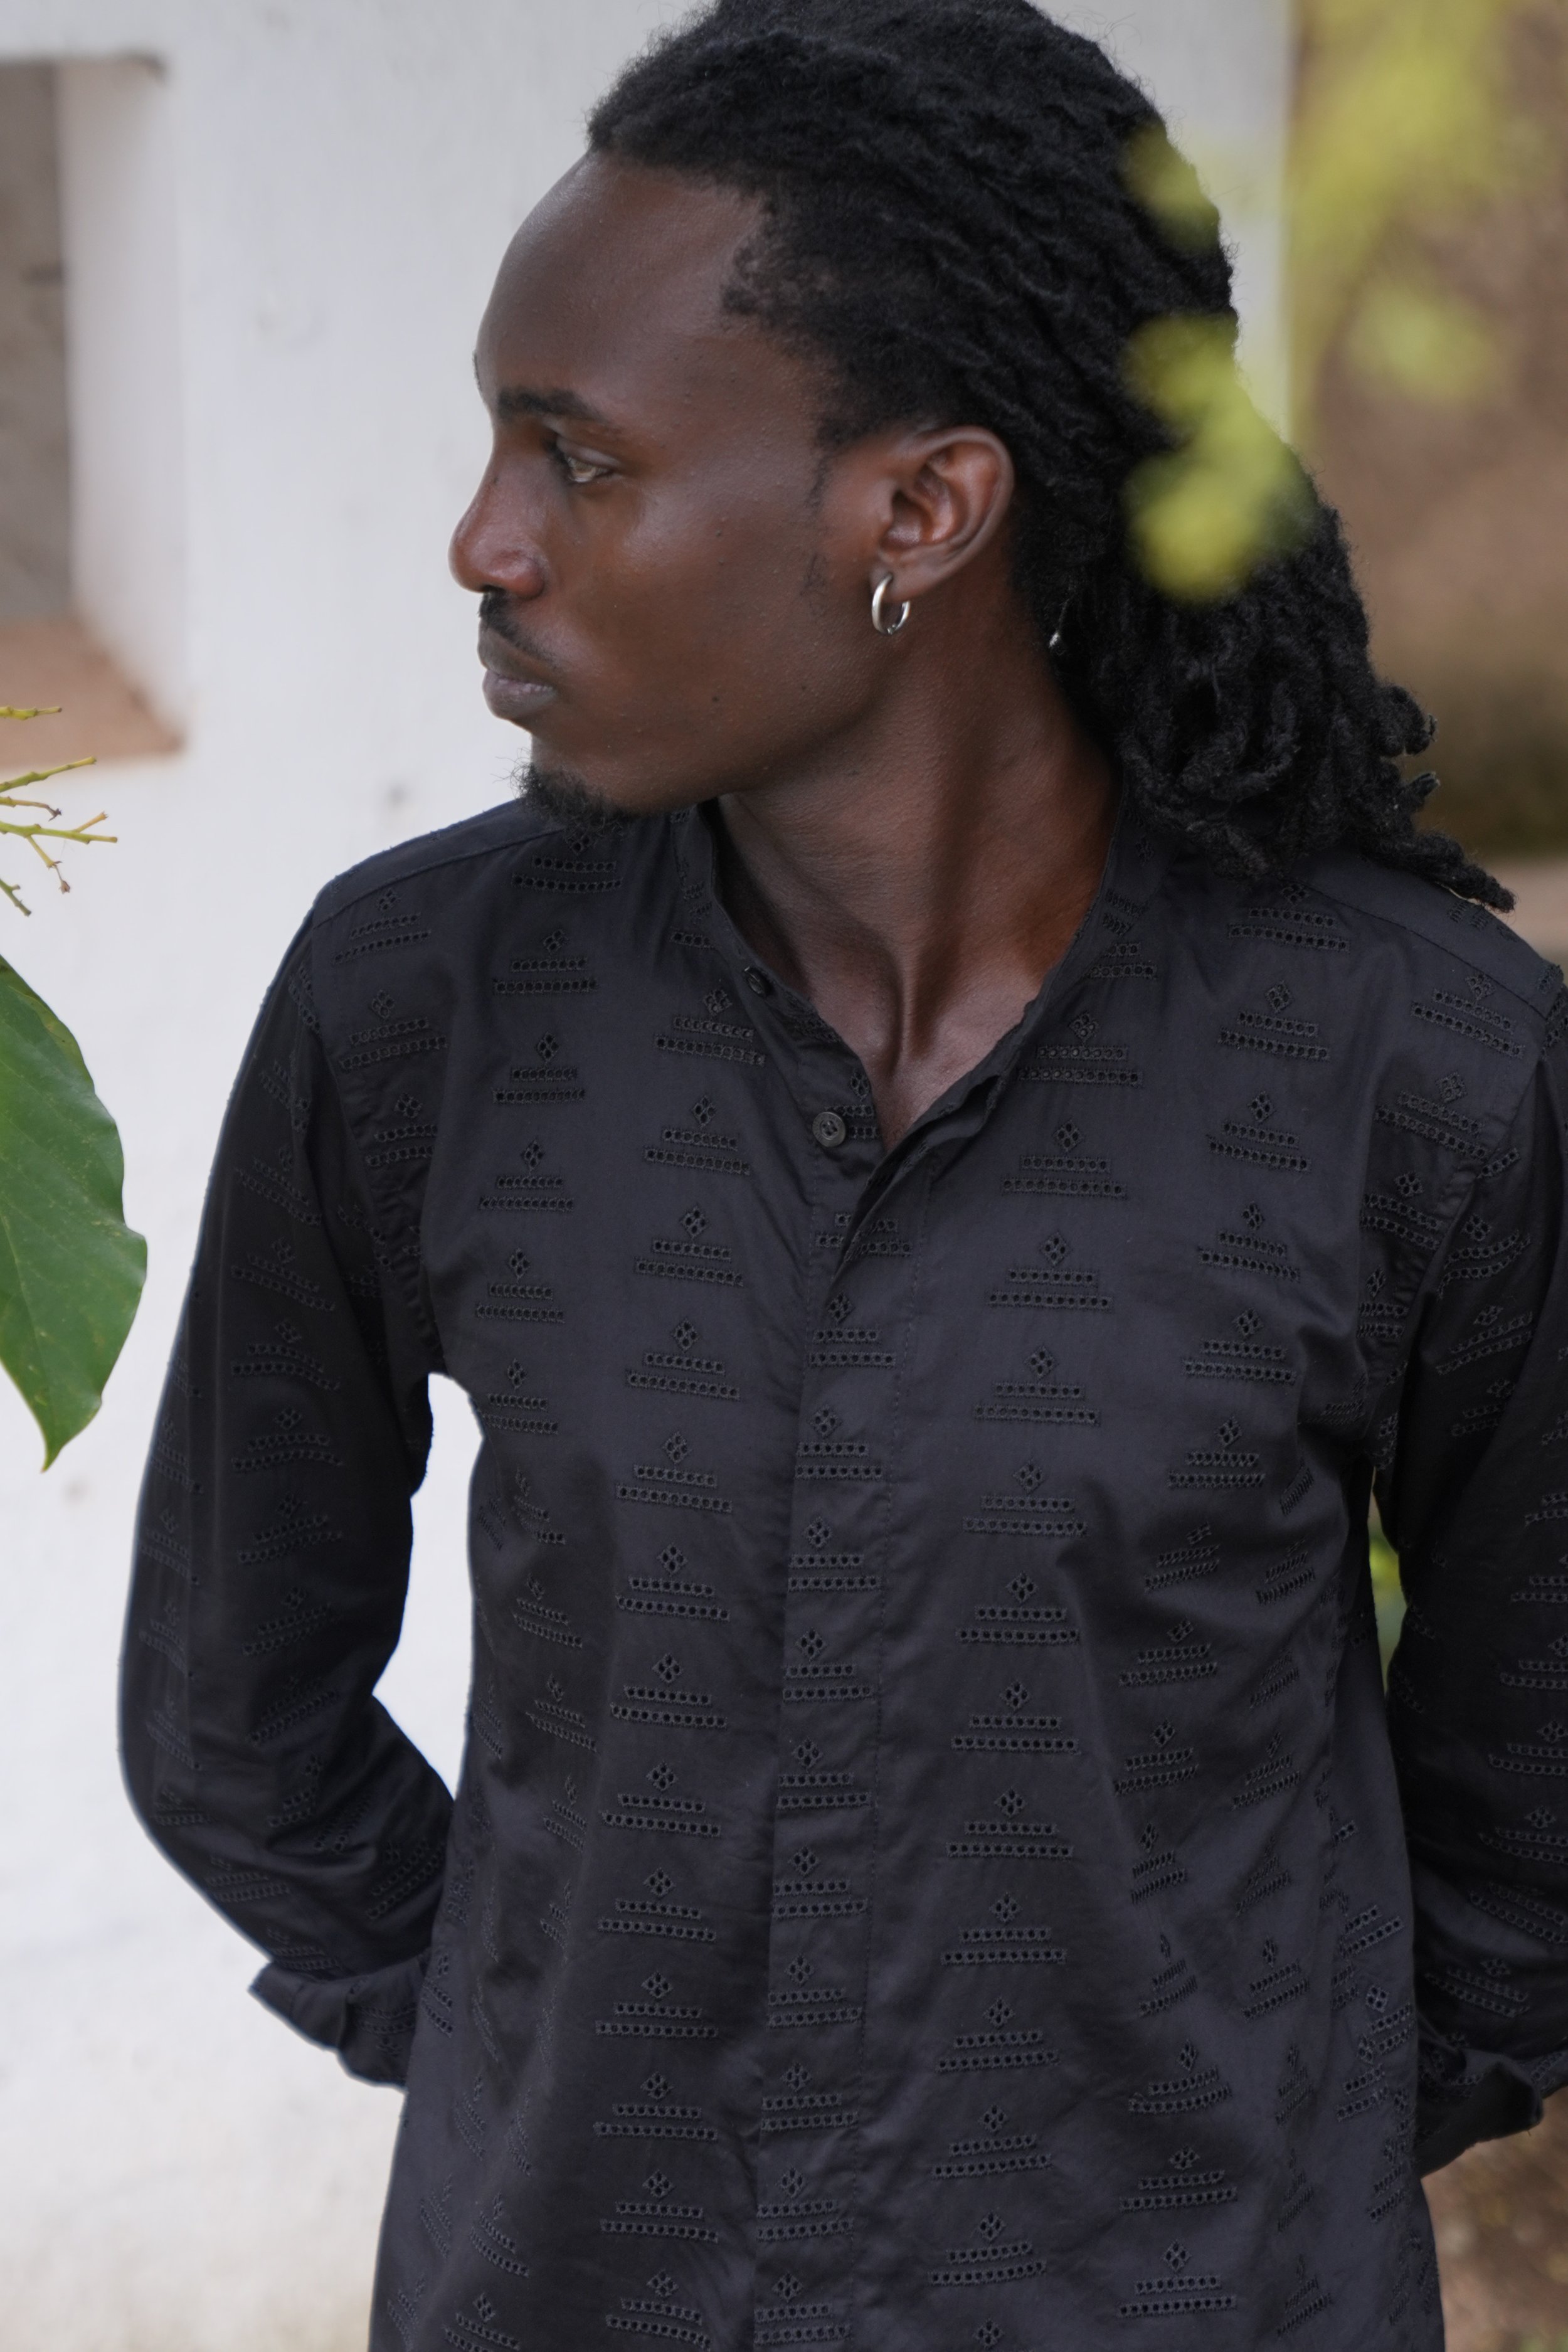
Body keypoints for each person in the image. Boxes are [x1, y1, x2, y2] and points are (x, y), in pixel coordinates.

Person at [123, 4, 1568, 2346]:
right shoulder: (424, 1007)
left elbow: (1540, 1804)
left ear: (919, 511)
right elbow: (232, 1715)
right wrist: (530, 2057)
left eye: (579, 458)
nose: (483, 541)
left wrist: (1239, 2140)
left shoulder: (1410, 1068)